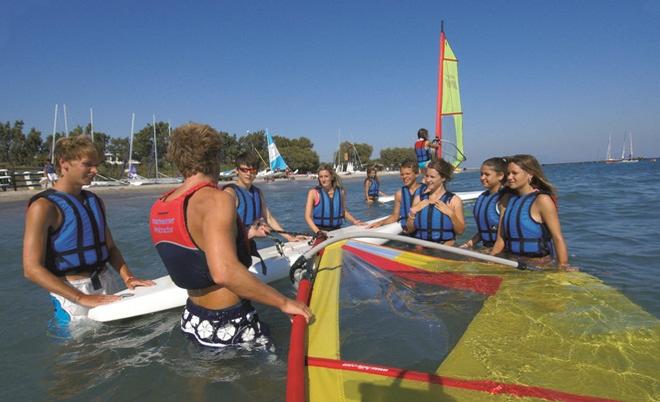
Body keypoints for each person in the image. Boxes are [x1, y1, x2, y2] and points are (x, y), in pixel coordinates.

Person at [149, 123, 311, 350]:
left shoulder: (161, 205)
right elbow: (224, 272)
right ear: (213, 156)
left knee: (204, 378)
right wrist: (284, 302)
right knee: (268, 377)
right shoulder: (216, 200)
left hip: (192, 317)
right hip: (228, 321)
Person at [23, 135, 154, 328]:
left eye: (96, 164)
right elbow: (31, 269)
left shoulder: (95, 201)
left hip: (106, 283)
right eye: (88, 164)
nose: (95, 170)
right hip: (71, 292)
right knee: (78, 355)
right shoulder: (43, 207)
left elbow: (109, 247)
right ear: (64, 163)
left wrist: (128, 277)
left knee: (116, 346)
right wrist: (80, 297)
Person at [490, 154, 570, 268]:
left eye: (514, 173)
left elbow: (558, 237)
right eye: (508, 173)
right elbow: (500, 239)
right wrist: (492, 260)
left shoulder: (542, 200)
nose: (509, 177)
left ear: (530, 174)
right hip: (512, 261)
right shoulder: (507, 200)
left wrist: (563, 266)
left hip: (537, 264)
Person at [223, 153, 306, 243]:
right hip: (231, 246)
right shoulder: (230, 193)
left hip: (248, 245)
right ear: (236, 171)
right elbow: (222, 227)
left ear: (257, 172)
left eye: (252, 170)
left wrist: (290, 237)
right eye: (244, 170)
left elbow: (269, 218)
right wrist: (251, 233)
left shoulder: (258, 192)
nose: (248, 174)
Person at [406, 159, 465, 245]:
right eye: (426, 176)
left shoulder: (454, 200)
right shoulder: (419, 198)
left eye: (432, 177)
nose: (428, 180)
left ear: (443, 178)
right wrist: (412, 213)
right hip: (421, 249)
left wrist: (451, 214)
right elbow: (410, 230)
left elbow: (460, 231)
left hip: (444, 248)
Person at [461, 157, 512, 250]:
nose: (482, 178)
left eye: (487, 174)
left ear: (500, 175)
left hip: (503, 252)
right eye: (481, 174)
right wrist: (468, 244)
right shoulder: (483, 197)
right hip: (487, 248)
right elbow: (485, 230)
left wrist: (492, 255)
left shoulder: (504, 199)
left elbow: (503, 234)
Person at [305, 164, 365, 236]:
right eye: (321, 177)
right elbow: (307, 216)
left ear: (332, 177)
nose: (323, 179)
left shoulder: (340, 192)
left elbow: (342, 211)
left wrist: (355, 221)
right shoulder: (313, 193)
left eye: (326, 176)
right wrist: (318, 232)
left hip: (337, 230)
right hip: (320, 231)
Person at [368, 161, 424, 232]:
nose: (404, 177)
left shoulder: (425, 190)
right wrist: (380, 223)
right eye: (402, 174)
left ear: (416, 174)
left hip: (423, 233)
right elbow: (395, 216)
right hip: (408, 232)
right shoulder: (399, 194)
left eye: (407, 174)